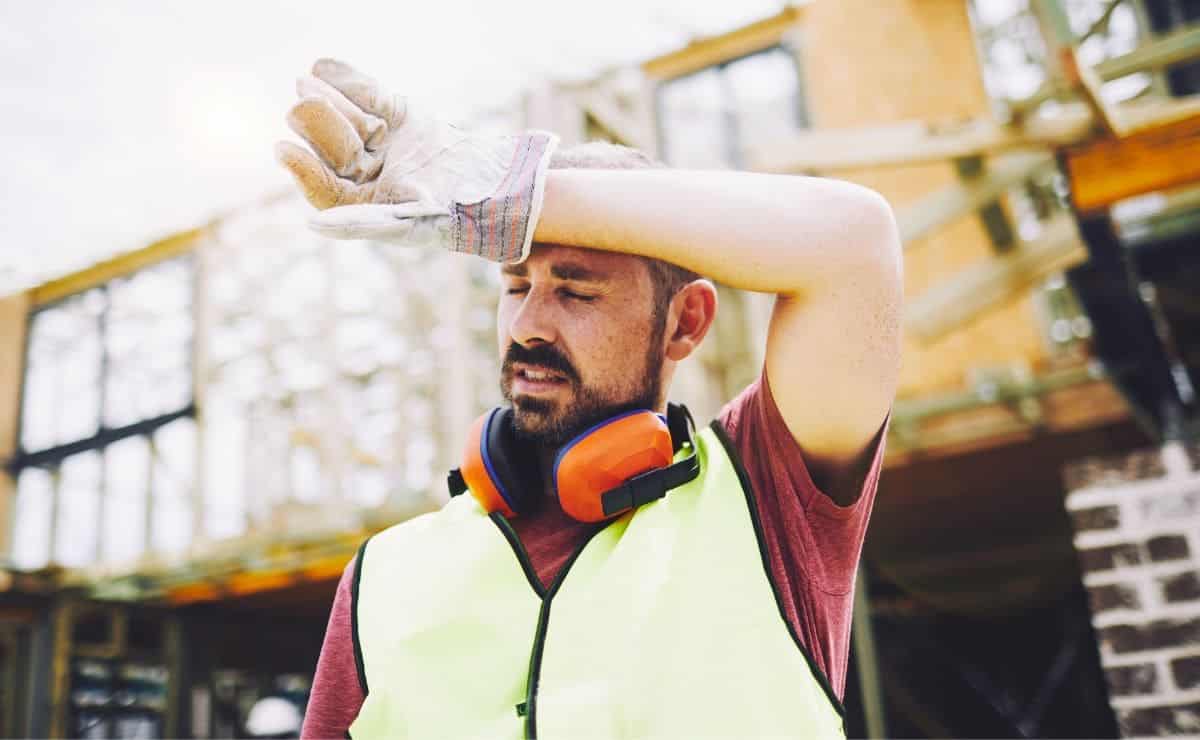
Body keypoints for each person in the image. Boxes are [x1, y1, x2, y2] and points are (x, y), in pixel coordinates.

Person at [277, 58, 902, 739]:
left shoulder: (767, 502)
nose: (527, 325)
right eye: (516, 286)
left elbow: (855, 246)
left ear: (685, 322)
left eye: (576, 291)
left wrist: (504, 190)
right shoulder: (383, 578)